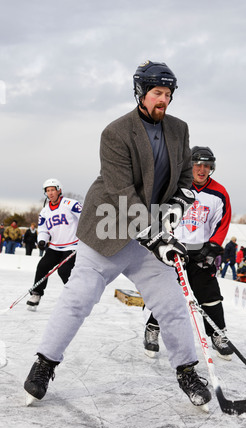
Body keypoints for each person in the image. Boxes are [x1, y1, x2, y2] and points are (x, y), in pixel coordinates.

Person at [24, 61, 212, 408]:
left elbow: (185, 182)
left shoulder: (179, 130)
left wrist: (171, 213)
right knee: (77, 299)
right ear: (141, 92)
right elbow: (123, 192)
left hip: (148, 237)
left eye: (168, 94)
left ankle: (187, 370)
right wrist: (157, 235)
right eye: (157, 93)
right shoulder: (116, 132)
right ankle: (44, 364)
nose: (163, 101)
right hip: (107, 231)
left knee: (171, 304)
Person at [144, 146, 233, 361]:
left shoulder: (219, 193)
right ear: (189, 165)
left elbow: (222, 222)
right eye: (197, 165)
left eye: (206, 166)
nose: (202, 170)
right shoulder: (176, 187)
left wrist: (213, 246)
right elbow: (158, 215)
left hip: (201, 250)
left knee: (209, 294)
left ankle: (218, 335)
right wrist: (163, 240)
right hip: (174, 248)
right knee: (167, 294)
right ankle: (152, 329)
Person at [26, 179, 82, 310]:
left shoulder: (70, 204)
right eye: (47, 191)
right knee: (42, 266)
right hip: (55, 247)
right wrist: (42, 240)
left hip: (72, 246)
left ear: (59, 190)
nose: (50, 193)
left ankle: (75, 297)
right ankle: (36, 294)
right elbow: (43, 229)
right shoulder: (45, 211)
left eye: (52, 190)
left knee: (64, 271)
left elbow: (85, 217)